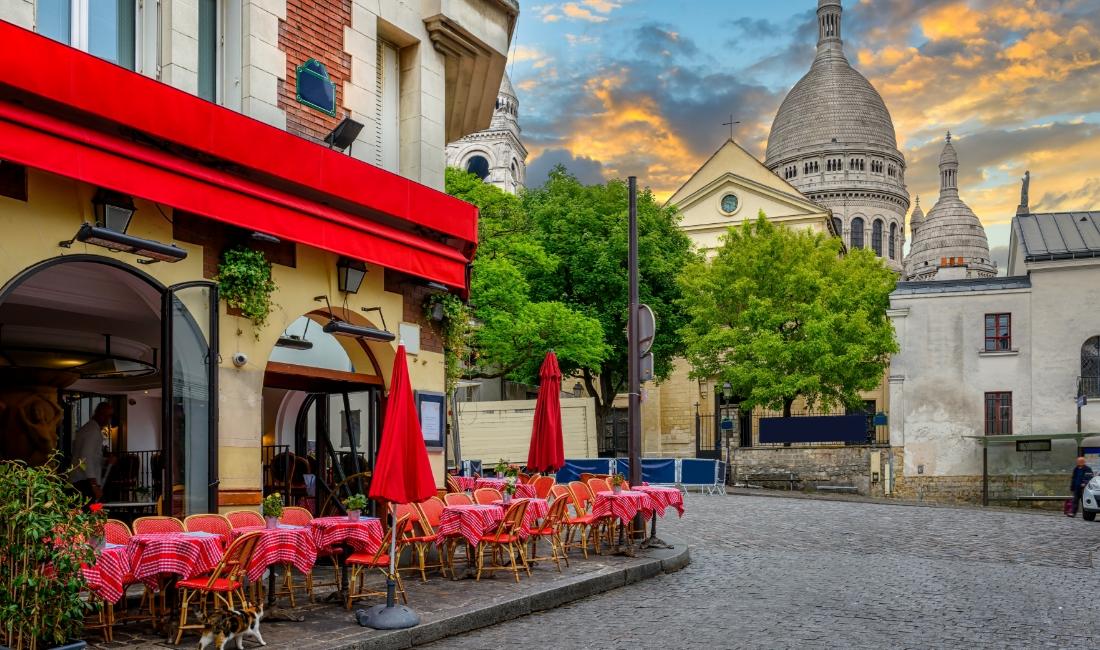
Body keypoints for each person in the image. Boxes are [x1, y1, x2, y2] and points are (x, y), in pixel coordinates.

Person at [71, 402, 113, 505]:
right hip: (84, 482)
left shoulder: (92, 429)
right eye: (107, 415)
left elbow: (92, 457)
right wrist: (94, 485)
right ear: (98, 414)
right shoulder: (92, 431)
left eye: (110, 416)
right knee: (88, 513)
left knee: (94, 511)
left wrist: (106, 461)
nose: (108, 419)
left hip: (85, 481)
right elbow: (86, 458)